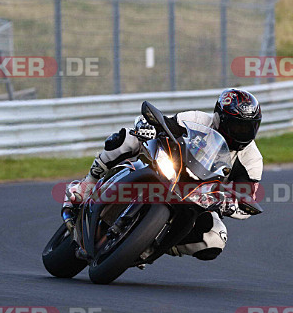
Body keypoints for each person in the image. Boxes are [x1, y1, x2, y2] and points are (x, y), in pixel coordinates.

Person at [62, 88, 263, 261]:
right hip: (172, 170)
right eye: (237, 126)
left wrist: (232, 204)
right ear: (220, 118)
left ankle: (151, 244)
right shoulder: (198, 119)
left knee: (216, 238)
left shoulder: (252, 160)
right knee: (127, 138)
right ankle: (87, 184)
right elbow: (165, 126)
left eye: (249, 128)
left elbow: (247, 196)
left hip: (201, 198)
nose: (242, 133)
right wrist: (148, 128)